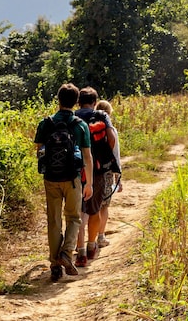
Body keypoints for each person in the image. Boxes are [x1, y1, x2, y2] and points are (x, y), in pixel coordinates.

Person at [34, 83, 93, 282]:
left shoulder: (46, 123)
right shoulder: (80, 125)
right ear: (76, 101)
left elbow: (39, 151)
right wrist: (90, 183)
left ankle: (54, 265)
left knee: (54, 221)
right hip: (73, 179)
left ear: (58, 100)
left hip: (51, 178)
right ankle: (67, 253)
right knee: (74, 217)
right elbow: (87, 156)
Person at [73, 87, 119, 267]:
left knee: (78, 211)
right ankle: (92, 246)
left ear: (79, 101)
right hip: (98, 169)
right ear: (95, 101)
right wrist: (106, 154)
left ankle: (80, 251)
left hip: (77, 170)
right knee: (95, 209)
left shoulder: (74, 117)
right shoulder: (102, 116)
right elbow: (111, 138)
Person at [95, 99, 122, 248]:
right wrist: (119, 175)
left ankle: (90, 238)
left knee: (93, 206)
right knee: (104, 206)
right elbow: (115, 153)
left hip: (92, 170)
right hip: (107, 171)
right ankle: (100, 236)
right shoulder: (111, 130)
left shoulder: (88, 127)